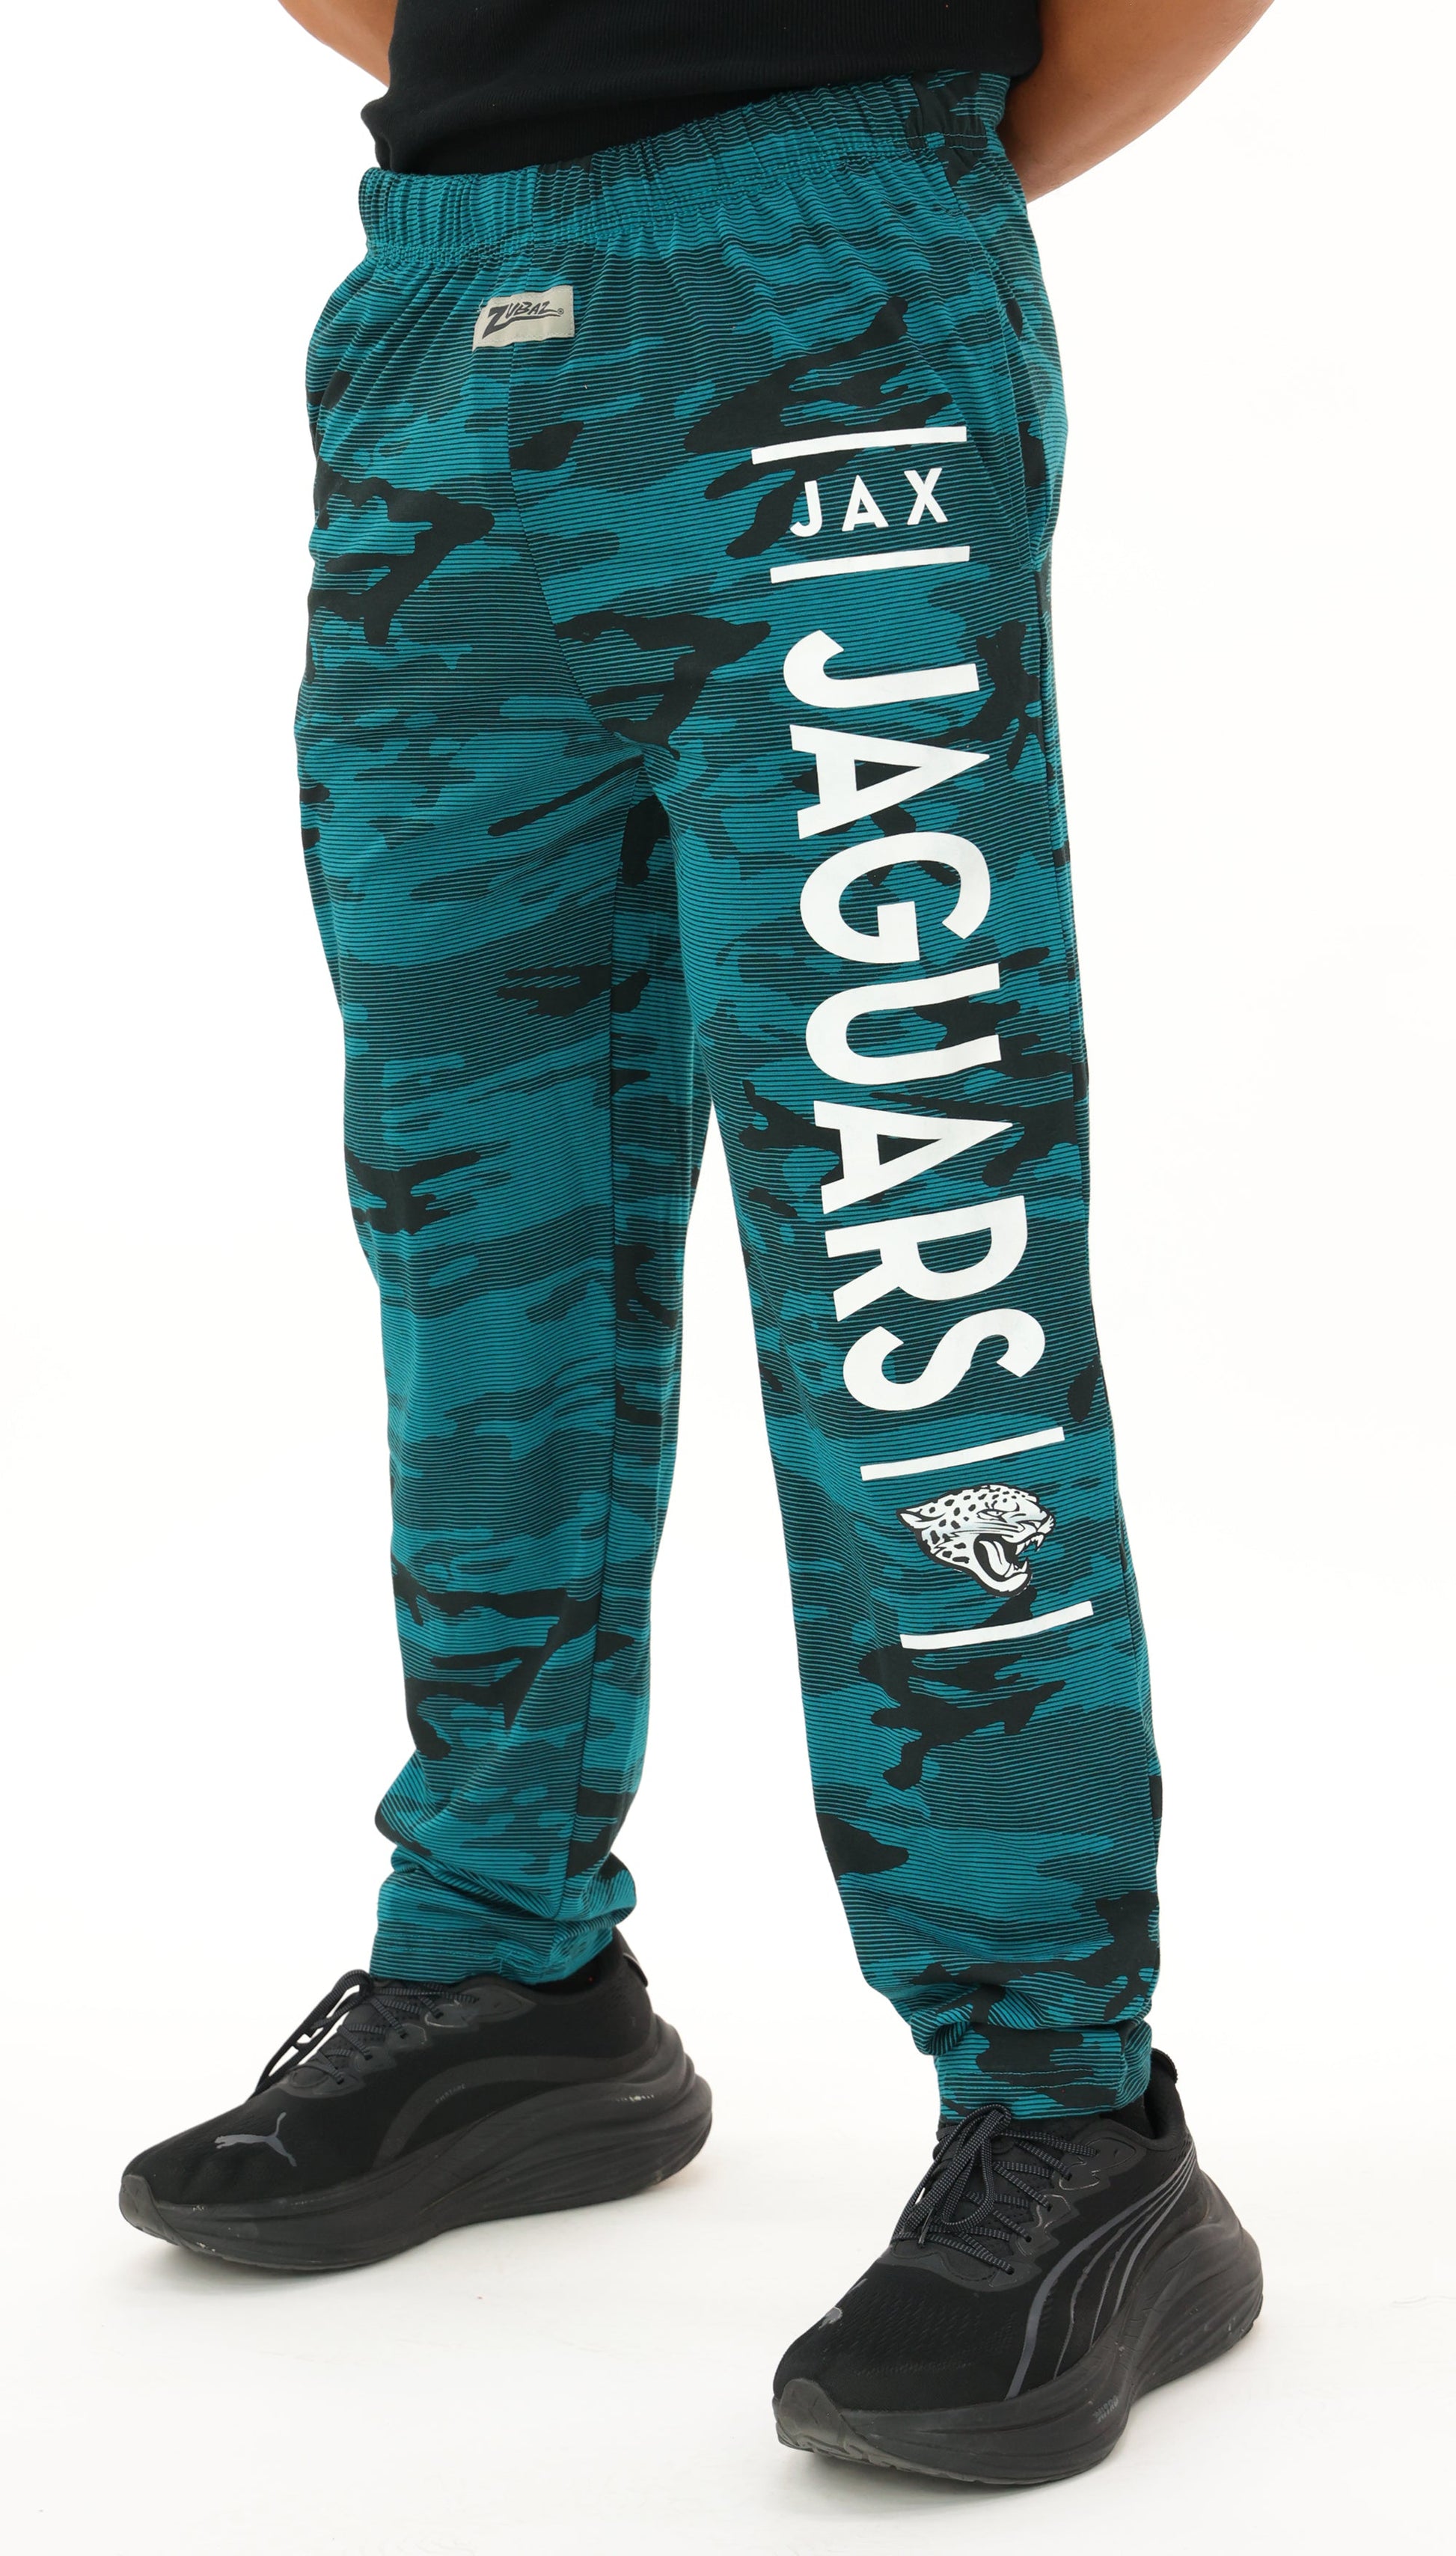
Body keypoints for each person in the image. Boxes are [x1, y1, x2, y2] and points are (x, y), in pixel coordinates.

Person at [120, 0, 1273, 2486]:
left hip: (827, 305)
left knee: (908, 1225)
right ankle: (506, 1969)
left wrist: (857, 183)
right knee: (471, 1210)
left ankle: (1066, 2107)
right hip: (441, 313)